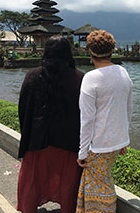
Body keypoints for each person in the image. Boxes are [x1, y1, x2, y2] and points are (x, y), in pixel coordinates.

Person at [17, 36, 84, 213]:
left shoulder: (32, 76)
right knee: (68, 181)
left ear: (46, 52)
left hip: (37, 140)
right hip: (68, 141)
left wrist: (27, 134)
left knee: (32, 179)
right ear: (68, 53)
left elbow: (23, 109)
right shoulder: (79, 78)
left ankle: (28, 208)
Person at [76, 30, 133, 213]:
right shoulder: (123, 72)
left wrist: (82, 152)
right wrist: (124, 139)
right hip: (116, 142)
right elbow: (127, 109)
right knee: (100, 179)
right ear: (112, 51)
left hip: (98, 145)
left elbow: (87, 119)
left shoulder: (91, 78)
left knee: (99, 184)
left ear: (89, 52)